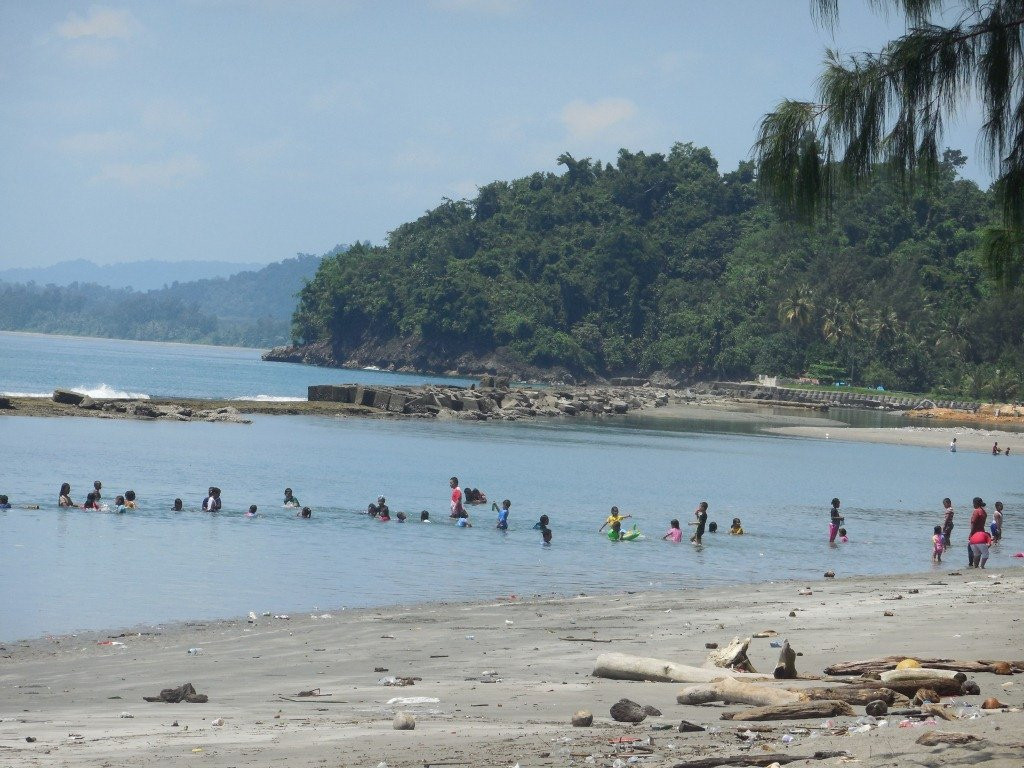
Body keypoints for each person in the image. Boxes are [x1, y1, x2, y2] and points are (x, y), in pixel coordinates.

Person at [968, 497, 987, 567]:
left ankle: (971, 565)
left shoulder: (976, 511)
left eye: (973, 503)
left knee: (970, 549)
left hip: (975, 533)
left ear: (975, 503)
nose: (972, 504)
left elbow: (973, 523)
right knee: (978, 551)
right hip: (982, 533)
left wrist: (971, 533)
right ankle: (977, 565)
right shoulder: (983, 511)